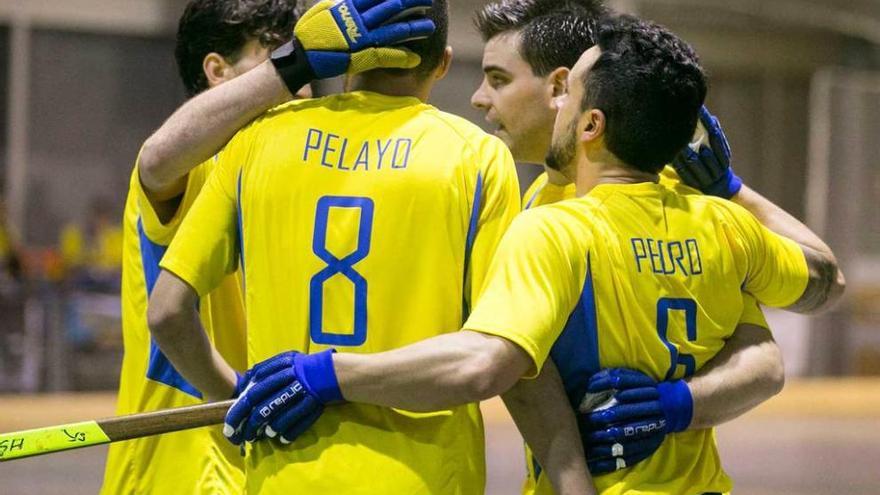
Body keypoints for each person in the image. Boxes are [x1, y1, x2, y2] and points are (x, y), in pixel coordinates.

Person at [219, 12, 844, 495]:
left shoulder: (552, 227)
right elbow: (820, 284)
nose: (479, 100)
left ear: (584, 113)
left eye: (498, 79)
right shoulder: (720, 221)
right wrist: (732, 190)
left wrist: (325, 373)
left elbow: (487, 363)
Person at [146, 0, 539, 493]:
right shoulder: (476, 158)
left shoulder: (257, 140)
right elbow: (487, 358)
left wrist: (240, 398)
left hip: (281, 475)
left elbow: (166, 312)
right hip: (425, 477)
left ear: (346, 56)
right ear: (442, 63)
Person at [469, 0, 839, 487]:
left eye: (498, 79)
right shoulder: (539, 200)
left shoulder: (658, 193)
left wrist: (676, 405)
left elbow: (764, 360)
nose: (478, 98)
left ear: (564, 90)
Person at [102, 0, 424, 492]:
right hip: (184, 470)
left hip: (272, 465)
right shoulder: (199, 166)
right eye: (279, 53)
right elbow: (158, 157)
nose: (303, 79)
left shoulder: (297, 175)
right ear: (217, 71)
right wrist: (296, 62)